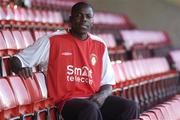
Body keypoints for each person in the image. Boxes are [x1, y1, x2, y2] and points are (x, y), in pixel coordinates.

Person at [10, 2, 139, 120]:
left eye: (88, 16)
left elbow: (107, 84)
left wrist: (103, 96)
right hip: (66, 102)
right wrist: (20, 69)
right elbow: (17, 59)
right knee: (90, 110)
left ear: (92, 21)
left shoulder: (100, 45)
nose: (84, 20)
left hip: (93, 100)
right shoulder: (52, 41)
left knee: (131, 106)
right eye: (79, 15)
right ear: (71, 19)